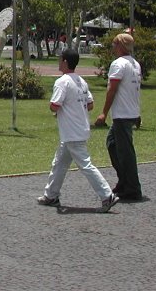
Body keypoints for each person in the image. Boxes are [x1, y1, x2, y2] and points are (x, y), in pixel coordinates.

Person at [37, 49, 119, 212]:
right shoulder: (81, 81)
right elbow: (90, 104)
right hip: (77, 129)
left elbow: (55, 105)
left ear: (65, 61)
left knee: (86, 165)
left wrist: (58, 109)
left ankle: (106, 195)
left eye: (60, 59)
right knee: (59, 163)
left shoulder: (62, 82)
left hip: (71, 131)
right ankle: (51, 195)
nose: (59, 62)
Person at [94, 32, 144, 201]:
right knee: (112, 144)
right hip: (129, 113)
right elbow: (135, 90)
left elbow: (112, 89)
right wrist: (137, 113)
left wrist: (103, 113)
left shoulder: (118, 64)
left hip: (122, 115)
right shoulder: (135, 64)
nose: (113, 47)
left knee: (125, 152)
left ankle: (132, 188)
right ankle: (124, 181)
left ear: (122, 46)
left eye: (115, 44)